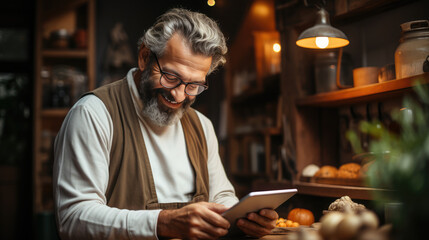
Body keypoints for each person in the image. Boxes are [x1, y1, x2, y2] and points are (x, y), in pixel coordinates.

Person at [53, 8, 278, 240]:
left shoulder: (202, 126)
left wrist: (242, 219)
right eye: (171, 77)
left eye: (194, 86)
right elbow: (73, 219)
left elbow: (220, 196)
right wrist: (164, 223)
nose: (179, 96)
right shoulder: (93, 114)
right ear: (144, 57)